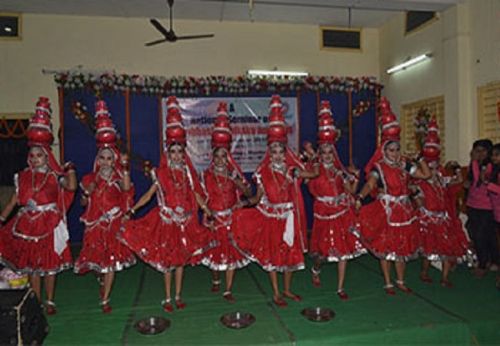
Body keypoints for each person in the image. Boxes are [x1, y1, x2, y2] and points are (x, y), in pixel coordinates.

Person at [120, 96, 213, 312]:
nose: (178, 155)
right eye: (174, 152)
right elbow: (148, 195)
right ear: (168, 153)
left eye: (181, 151)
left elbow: (197, 196)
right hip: (166, 223)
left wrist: (207, 210)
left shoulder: (189, 174)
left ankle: (178, 295)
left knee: (180, 261)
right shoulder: (160, 174)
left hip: (184, 223)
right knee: (168, 263)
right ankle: (167, 297)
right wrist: (132, 210)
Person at [232, 95, 318, 307]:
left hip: (288, 218)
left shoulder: (292, 170)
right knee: (273, 257)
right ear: (269, 152)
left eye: (281, 151)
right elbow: (258, 197)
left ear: (285, 151)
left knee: (289, 255)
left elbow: (314, 174)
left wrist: (311, 155)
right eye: (274, 151)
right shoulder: (262, 172)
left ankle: (287, 290)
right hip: (271, 219)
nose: (278, 155)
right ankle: (276, 292)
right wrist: (243, 203)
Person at [0, 97, 76, 314]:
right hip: (27, 225)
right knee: (33, 266)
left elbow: (71, 187)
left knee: (49, 266)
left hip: (48, 224)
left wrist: (69, 169)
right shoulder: (22, 176)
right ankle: (36, 299)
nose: (34, 159)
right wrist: (2, 219)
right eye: (32, 155)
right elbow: (15, 199)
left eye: (39, 156)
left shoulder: (54, 176)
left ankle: (50, 300)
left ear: (47, 156)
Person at [355, 97, 430, 295]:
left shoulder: (405, 165)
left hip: (404, 212)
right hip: (386, 211)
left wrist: (420, 158)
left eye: (397, 149)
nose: (395, 153)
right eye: (391, 149)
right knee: (386, 248)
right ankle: (388, 282)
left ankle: (401, 280)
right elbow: (369, 184)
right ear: (384, 150)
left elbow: (426, 175)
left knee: (402, 249)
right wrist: (359, 198)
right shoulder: (379, 168)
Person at [73, 101, 136, 313]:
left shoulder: (119, 176)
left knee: (109, 262)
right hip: (94, 226)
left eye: (110, 158)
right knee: (96, 262)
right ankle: (100, 279)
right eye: (103, 158)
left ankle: (105, 298)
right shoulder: (90, 178)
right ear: (98, 159)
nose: (107, 161)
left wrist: (125, 168)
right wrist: (87, 191)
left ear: (115, 159)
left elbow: (127, 190)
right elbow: (82, 202)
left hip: (113, 223)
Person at [307, 101, 365, 300]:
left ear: (334, 152)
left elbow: (350, 191)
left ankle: (340, 287)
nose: (327, 156)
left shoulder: (340, 171)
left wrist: (354, 178)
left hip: (341, 212)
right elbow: (311, 188)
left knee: (343, 251)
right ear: (320, 153)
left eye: (330, 152)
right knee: (321, 254)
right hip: (323, 213)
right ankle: (316, 269)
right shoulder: (314, 170)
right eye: (323, 152)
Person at [200, 102, 252, 303]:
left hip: (231, 220)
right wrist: (206, 215)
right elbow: (202, 198)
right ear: (213, 156)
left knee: (231, 256)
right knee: (215, 256)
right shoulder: (206, 175)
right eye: (218, 155)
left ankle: (228, 289)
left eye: (224, 155)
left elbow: (248, 192)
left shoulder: (234, 173)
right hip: (215, 220)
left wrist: (235, 179)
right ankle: (215, 280)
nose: (221, 159)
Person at [415, 119, 470, 287]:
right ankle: (424, 272)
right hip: (429, 220)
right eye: (429, 167)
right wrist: (424, 214)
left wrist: (457, 168)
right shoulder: (420, 183)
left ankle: (445, 278)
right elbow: (419, 202)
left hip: (443, 219)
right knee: (430, 251)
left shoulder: (441, 179)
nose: (433, 170)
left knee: (446, 249)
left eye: (435, 167)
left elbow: (458, 180)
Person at [464, 139, 498, 277]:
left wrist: (473, 162)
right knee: (476, 232)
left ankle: (484, 264)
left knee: (483, 235)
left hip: (486, 206)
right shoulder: (474, 165)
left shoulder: (491, 166)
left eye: (483, 151)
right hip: (473, 204)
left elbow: (481, 180)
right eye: (477, 151)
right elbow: (471, 182)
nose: (480, 154)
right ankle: (489, 260)